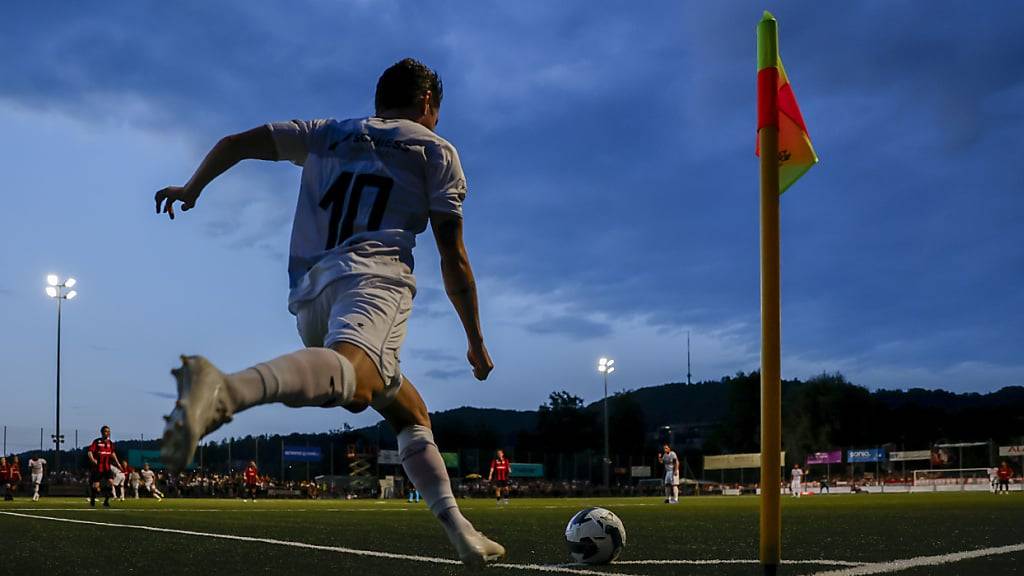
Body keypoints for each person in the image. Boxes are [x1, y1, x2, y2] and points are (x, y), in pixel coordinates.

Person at [152, 58, 503, 566]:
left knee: (407, 409)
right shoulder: (434, 149)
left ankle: (459, 529)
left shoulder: (325, 132)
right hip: (373, 280)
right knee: (357, 379)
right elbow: (455, 257)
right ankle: (227, 390)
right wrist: (475, 339)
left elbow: (234, 144)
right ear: (428, 104)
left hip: (309, 297)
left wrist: (192, 188)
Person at [87, 426, 123, 507]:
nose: (108, 433)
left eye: (109, 431)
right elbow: (89, 452)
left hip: (107, 467)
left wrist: (118, 463)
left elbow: (112, 453)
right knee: (96, 485)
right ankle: (92, 498)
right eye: (106, 431)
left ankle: (106, 501)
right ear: (102, 432)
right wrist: (93, 460)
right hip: (98, 467)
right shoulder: (97, 442)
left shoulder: (110, 443)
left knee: (111, 483)